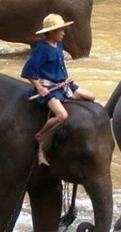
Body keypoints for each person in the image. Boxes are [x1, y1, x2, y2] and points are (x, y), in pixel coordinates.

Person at [22, 12, 97, 161]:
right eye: (60, 30)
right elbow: (29, 72)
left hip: (62, 85)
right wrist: (40, 88)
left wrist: (64, 80)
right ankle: (41, 134)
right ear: (51, 33)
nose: (63, 33)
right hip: (49, 88)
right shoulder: (41, 49)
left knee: (91, 96)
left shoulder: (58, 44)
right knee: (62, 116)